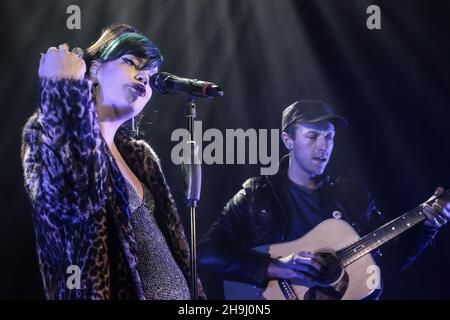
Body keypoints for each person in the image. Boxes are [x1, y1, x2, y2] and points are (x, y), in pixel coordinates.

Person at [21, 24, 205, 300]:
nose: (143, 79)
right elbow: (68, 204)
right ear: (94, 70)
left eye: (149, 75)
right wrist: (63, 93)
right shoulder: (48, 130)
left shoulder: (141, 159)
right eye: (131, 62)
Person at [198, 99, 450, 299]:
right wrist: (276, 267)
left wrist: (427, 228)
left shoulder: (353, 194)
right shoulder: (256, 192)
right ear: (289, 140)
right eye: (312, 136)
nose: (323, 146)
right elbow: (206, 253)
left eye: (329, 137)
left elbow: (392, 260)